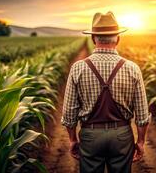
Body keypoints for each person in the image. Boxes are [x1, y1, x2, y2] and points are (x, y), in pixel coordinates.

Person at [61, 11, 150, 173]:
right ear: (118, 39)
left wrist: (73, 139)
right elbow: (143, 115)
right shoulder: (132, 68)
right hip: (122, 136)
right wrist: (141, 142)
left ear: (93, 38)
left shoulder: (78, 68)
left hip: (91, 136)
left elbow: (69, 113)